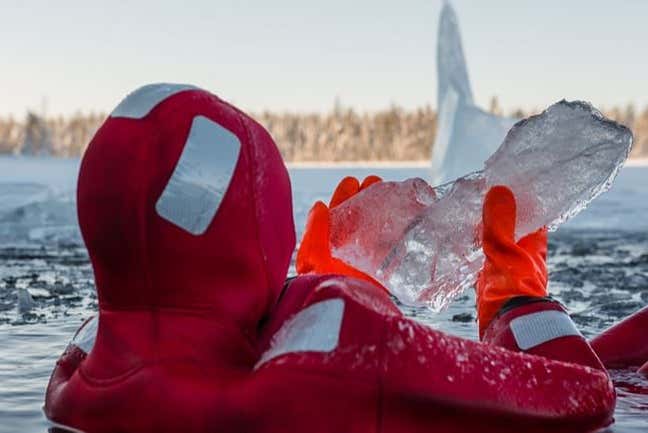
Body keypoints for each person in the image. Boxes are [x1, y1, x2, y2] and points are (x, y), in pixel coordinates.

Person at [45, 84, 615, 433]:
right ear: (254, 237)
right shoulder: (338, 368)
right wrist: (516, 299)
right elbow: (583, 395)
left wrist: (323, 293)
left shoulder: (82, 374)